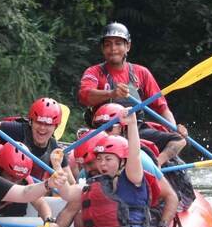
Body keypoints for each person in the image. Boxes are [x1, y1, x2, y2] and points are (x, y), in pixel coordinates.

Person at [45, 107, 178, 227]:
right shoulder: (95, 182)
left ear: (122, 160)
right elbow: (67, 193)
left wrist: (132, 123)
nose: (102, 164)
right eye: (99, 159)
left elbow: (134, 154)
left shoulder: (132, 177)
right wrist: (58, 166)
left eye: (108, 159)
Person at [78, 22, 187, 168]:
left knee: (178, 140)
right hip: (105, 131)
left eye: (118, 43)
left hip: (136, 130)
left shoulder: (141, 73)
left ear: (127, 47)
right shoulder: (94, 72)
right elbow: (85, 95)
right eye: (108, 44)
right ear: (103, 48)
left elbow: (161, 107)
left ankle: (156, 165)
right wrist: (111, 93)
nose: (113, 49)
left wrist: (173, 129)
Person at [0, 97, 76, 184]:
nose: (42, 128)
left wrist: (59, 176)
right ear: (31, 122)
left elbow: (71, 183)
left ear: (55, 127)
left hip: (29, 194)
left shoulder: (54, 149)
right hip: (0, 185)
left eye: (48, 125)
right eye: (38, 122)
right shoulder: (18, 130)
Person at [0, 141, 54, 222]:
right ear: (0, 168)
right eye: (11, 176)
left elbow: (41, 203)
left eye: (19, 178)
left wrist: (49, 220)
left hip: (4, 209)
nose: (15, 182)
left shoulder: (25, 179)